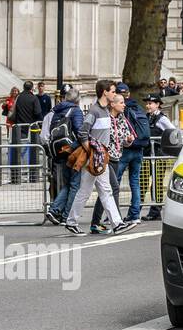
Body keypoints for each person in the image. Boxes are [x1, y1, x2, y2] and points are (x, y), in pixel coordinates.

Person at [64, 80, 134, 236]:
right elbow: (83, 132)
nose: (115, 94)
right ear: (105, 92)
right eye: (113, 91)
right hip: (95, 158)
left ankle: (116, 224)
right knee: (88, 191)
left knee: (104, 191)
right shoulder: (94, 111)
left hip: (101, 158)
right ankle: (73, 221)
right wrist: (92, 152)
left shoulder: (105, 111)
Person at [44, 86, 85, 224]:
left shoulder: (56, 110)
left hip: (59, 151)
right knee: (74, 184)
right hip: (72, 151)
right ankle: (65, 215)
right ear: (78, 100)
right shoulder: (76, 111)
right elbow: (80, 131)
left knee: (68, 183)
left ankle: (55, 210)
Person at [115, 83, 150, 222]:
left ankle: (113, 215)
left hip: (126, 149)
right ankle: (135, 214)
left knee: (114, 183)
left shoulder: (121, 109)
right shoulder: (139, 108)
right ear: (129, 94)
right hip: (139, 149)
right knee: (135, 182)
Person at [11, 80, 42, 183]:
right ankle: (31, 173)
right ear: (32, 88)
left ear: (23, 87)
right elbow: (38, 113)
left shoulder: (18, 98)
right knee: (32, 149)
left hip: (19, 127)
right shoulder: (34, 98)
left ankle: (19, 172)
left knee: (19, 149)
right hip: (31, 128)